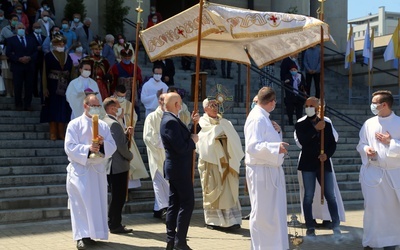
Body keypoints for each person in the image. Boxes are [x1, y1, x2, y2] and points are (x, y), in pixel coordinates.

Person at [65, 94, 116, 250]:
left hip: (97, 170)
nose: (96, 108)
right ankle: (81, 236)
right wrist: (88, 149)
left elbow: (112, 146)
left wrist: (101, 145)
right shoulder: (74, 124)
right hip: (81, 170)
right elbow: (69, 147)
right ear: (85, 106)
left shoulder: (103, 125)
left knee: (96, 203)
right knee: (80, 203)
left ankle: (93, 233)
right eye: (93, 105)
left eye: (98, 105)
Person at [244, 86, 289, 250]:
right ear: (271, 102)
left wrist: (277, 133)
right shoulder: (257, 118)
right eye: (274, 101)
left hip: (270, 170)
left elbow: (267, 139)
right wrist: (275, 148)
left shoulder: (264, 117)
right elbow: (252, 146)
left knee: (274, 212)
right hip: (261, 171)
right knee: (263, 213)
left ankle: (275, 245)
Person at [356, 90, 400, 250]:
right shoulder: (369, 123)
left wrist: (391, 142)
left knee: (393, 210)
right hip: (373, 173)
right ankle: (371, 241)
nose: (372, 106)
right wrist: (367, 149)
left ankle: (392, 241)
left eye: (375, 103)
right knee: (373, 209)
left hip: (394, 174)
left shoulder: (399, 122)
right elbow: (361, 143)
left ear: (385, 105)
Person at [294, 97, 345, 230]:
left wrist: (326, 155)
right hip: (308, 163)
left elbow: (332, 143)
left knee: (330, 194)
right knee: (308, 195)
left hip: (323, 163)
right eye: (307, 105)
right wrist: (315, 129)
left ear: (318, 108)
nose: (308, 108)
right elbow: (303, 141)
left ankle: (335, 224)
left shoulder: (326, 123)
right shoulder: (300, 124)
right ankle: (310, 226)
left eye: (312, 106)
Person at [197, 98, 244, 230]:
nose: (215, 108)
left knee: (228, 189)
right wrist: (217, 132)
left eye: (216, 105)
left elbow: (234, 139)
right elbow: (201, 141)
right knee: (214, 188)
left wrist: (223, 131)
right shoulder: (201, 122)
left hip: (226, 160)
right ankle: (214, 221)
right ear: (205, 108)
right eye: (211, 105)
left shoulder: (225, 122)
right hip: (211, 162)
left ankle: (232, 220)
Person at [160, 92, 198, 250]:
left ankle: (172, 239)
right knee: (187, 203)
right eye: (180, 103)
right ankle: (179, 241)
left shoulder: (173, 120)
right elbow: (181, 147)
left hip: (177, 168)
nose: (181, 105)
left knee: (174, 203)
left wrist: (196, 125)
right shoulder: (170, 121)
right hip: (178, 168)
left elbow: (183, 137)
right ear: (176, 105)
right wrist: (192, 142)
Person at [102, 97, 134, 234]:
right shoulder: (113, 124)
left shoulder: (105, 121)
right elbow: (119, 146)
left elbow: (117, 140)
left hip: (111, 164)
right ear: (111, 108)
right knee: (118, 196)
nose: (120, 109)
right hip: (117, 165)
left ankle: (113, 222)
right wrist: (129, 156)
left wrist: (126, 134)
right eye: (117, 107)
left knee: (116, 196)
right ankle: (114, 223)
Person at [112, 84, 148, 189]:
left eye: (123, 96)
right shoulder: (108, 102)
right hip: (112, 135)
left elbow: (134, 118)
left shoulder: (128, 104)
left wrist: (123, 119)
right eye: (119, 96)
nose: (121, 99)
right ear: (114, 93)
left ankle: (130, 186)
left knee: (131, 158)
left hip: (125, 135)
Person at [40, 35, 73, 140]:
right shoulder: (49, 56)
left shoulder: (68, 56)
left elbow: (72, 72)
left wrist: (72, 87)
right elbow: (44, 73)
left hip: (65, 86)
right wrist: (45, 87)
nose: (61, 45)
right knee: (52, 108)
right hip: (52, 85)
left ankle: (61, 132)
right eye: (59, 44)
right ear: (54, 45)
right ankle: (53, 132)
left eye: (63, 44)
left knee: (63, 108)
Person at [143, 93, 169, 219]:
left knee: (168, 183)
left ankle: (159, 208)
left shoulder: (172, 115)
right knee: (159, 181)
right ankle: (164, 209)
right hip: (157, 154)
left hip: (170, 155)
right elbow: (148, 137)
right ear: (160, 102)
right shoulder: (152, 117)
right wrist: (165, 142)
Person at [5, 22, 37, 111]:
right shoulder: (11, 40)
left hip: (29, 66)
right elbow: (8, 53)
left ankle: (28, 104)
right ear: (16, 30)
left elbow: (35, 52)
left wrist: (29, 58)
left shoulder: (31, 39)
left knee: (29, 86)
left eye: (23, 28)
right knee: (18, 86)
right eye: (19, 28)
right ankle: (18, 104)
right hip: (17, 66)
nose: (21, 30)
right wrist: (18, 59)